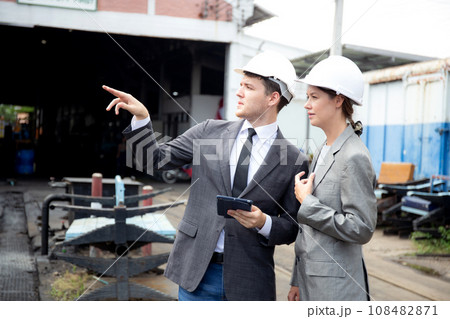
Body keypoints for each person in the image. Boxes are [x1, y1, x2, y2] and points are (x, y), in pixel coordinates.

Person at [104, 51, 309, 301]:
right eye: (240, 85)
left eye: (248, 87)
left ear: (272, 98)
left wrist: (263, 222)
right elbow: (154, 160)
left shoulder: (293, 159)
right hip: (197, 273)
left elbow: (293, 227)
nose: (238, 92)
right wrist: (142, 118)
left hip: (249, 281)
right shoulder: (208, 132)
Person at [288, 56, 377, 301]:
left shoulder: (354, 155)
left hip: (337, 292)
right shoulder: (325, 147)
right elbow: (309, 230)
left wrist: (308, 203)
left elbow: (362, 227)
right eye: (307, 97)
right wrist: (297, 279)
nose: (306, 104)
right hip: (311, 283)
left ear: (338, 100)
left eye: (314, 97)